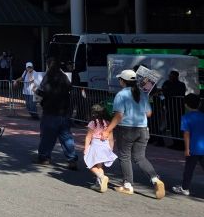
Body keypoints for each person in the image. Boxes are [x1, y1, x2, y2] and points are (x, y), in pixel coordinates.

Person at [105, 69, 164, 198]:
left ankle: (128, 185)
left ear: (123, 81)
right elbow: (149, 113)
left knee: (124, 156)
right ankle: (155, 179)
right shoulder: (142, 94)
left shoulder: (121, 95)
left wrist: (108, 130)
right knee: (140, 157)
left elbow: (119, 115)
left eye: (120, 79)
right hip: (143, 129)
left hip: (126, 129)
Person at [35, 57, 79, 170]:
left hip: (50, 112)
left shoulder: (48, 77)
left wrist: (36, 93)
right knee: (66, 137)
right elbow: (70, 88)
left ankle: (44, 157)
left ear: (48, 65)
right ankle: (72, 160)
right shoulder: (64, 76)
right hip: (64, 112)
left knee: (47, 137)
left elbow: (41, 93)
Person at [172, 92, 204, 196]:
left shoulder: (186, 117)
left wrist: (186, 149)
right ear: (199, 103)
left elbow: (186, 134)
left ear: (186, 105)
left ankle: (185, 188)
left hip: (193, 148)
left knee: (189, 169)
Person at [83, 103, 116, 193]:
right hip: (105, 146)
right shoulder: (108, 123)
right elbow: (111, 138)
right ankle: (100, 184)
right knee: (99, 166)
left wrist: (86, 148)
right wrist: (111, 148)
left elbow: (88, 137)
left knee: (89, 163)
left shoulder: (92, 123)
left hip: (95, 145)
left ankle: (102, 177)